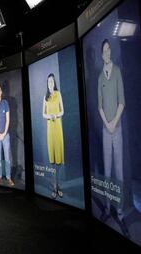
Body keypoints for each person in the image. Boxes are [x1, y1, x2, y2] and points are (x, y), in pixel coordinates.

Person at [97, 39, 129, 238]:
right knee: (107, 172)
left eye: (108, 49)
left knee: (119, 173)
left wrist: (113, 123)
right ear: (101, 54)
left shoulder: (116, 71)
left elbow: (122, 102)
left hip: (116, 130)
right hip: (104, 130)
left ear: (111, 52)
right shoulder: (100, 76)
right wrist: (106, 125)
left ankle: (120, 213)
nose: (106, 52)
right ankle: (107, 209)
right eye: (104, 50)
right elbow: (99, 106)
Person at [42, 73, 64, 199]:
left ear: (54, 82)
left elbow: (63, 110)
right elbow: (43, 114)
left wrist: (57, 115)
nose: (50, 83)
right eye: (48, 81)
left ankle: (59, 186)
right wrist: (50, 116)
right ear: (47, 83)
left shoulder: (58, 94)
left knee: (59, 160)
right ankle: (54, 187)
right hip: (50, 128)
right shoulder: (45, 97)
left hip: (58, 128)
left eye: (52, 81)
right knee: (53, 160)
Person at [0, 84, 14, 186]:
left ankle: (8, 177)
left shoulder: (5, 103)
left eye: (0, 90)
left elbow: (8, 119)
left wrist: (4, 133)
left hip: (6, 135)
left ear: (1, 92)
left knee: (7, 157)